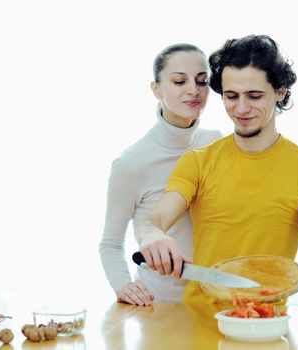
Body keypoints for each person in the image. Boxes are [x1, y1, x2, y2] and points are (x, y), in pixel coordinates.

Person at [137, 35, 298, 304]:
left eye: (254, 96)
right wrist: (153, 237)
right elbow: (153, 221)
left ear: (280, 91)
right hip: (198, 324)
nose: (241, 109)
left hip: (266, 325)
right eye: (231, 96)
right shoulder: (197, 162)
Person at [99, 43, 222, 305]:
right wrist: (124, 286)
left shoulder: (216, 144)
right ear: (156, 89)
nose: (193, 90)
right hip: (160, 304)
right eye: (179, 81)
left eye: (202, 81)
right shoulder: (131, 163)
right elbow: (110, 244)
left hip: (216, 300)